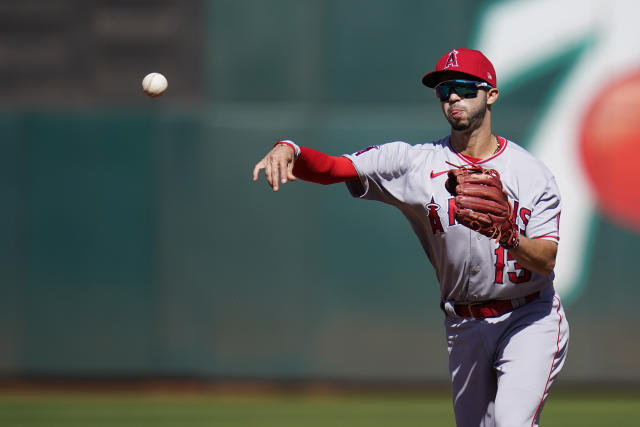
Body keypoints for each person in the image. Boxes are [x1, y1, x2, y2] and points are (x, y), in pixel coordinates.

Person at [252, 48, 569, 427]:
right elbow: (336, 168)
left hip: (528, 316)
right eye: (444, 90)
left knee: (513, 422)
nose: (453, 97)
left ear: (491, 94)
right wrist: (292, 149)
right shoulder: (414, 164)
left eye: (466, 88)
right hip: (463, 323)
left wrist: (508, 236)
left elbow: (546, 260)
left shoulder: (531, 174)